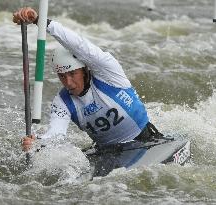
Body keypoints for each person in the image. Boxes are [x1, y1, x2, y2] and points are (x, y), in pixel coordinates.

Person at [13, 7, 164, 176]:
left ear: (84, 69)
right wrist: (36, 144)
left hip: (145, 140)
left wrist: (39, 22)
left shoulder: (108, 73)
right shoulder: (62, 101)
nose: (68, 83)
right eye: (62, 76)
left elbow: (80, 45)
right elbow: (56, 135)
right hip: (108, 153)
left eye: (72, 74)